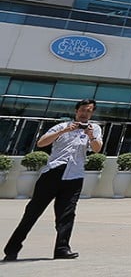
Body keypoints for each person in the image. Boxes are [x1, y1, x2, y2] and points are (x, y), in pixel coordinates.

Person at [4, 98, 103, 261]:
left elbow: (97, 149)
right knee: (33, 212)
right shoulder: (62, 126)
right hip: (52, 173)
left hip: (74, 175)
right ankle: (12, 249)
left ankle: (62, 249)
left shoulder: (95, 128)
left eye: (89, 111)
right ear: (77, 111)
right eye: (83, 110)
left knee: (67, 214)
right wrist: (63, 131)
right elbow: (41, 143)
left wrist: (91, 135)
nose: (85, 113)